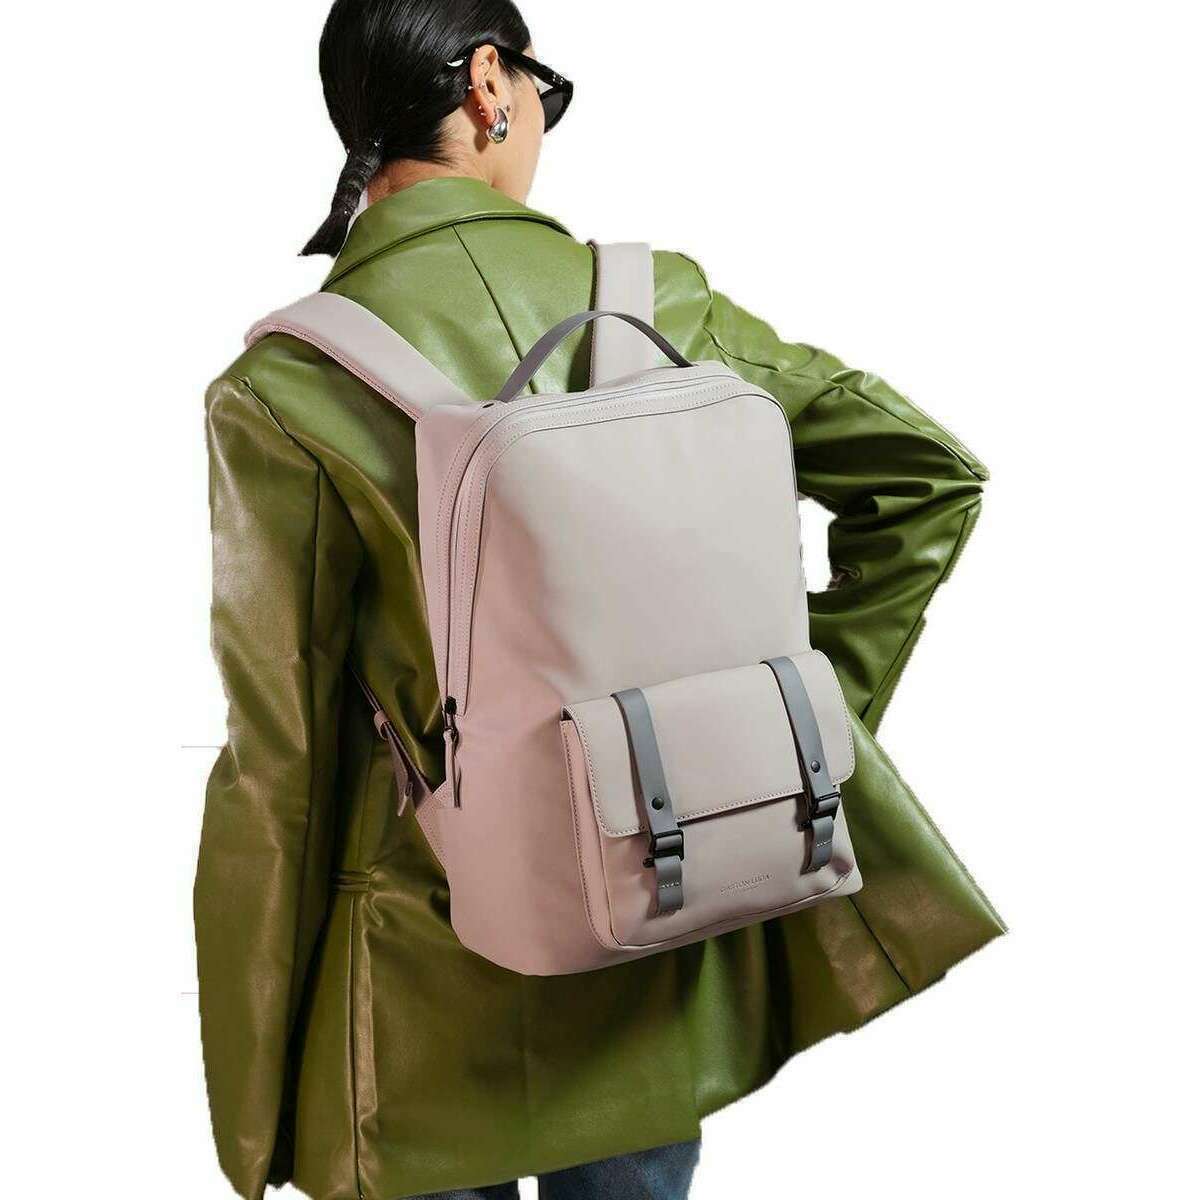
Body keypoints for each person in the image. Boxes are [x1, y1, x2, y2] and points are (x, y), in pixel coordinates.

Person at [195, 2, 1003, 1198]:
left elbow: (281, 762)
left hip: (421, 990)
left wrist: (255, 1096)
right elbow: (926, 477)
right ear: (489, 83)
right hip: (653, 915)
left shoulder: (286, 387)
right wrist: (781, 724)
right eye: (543, 90)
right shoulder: (656, 303)